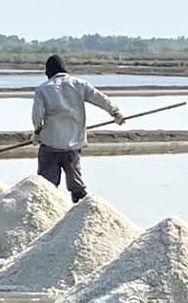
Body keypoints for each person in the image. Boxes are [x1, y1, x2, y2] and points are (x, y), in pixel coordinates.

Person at [31, 54, 126, 202]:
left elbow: (37, 115)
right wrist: (115, 113)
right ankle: (80, 208)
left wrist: (37, 132)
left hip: (50, 146)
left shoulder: (43, 89)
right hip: (73, 145)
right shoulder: (80, 85)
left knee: (46, 188)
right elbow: (99, 98)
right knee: (77, 187)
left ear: (48, 71)